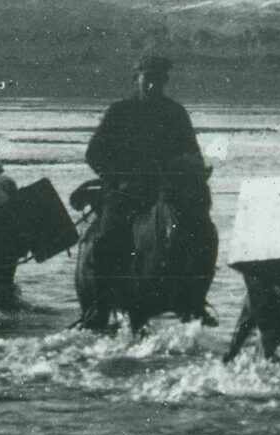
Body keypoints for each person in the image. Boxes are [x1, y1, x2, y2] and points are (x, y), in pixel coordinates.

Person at [83, 53, 209, 280]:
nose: (152, 85)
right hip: (126, 191)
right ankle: (100, 304)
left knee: (202, 233)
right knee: (108, 238)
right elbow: (94, 154)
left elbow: (193, 154)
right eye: (147, 78)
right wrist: (116, 179)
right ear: (136, 78)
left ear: (165, 82)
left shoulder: (176, 113)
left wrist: (191, 173)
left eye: (159, 80)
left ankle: (195, 298)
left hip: (168, 192)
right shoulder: (119, 112)